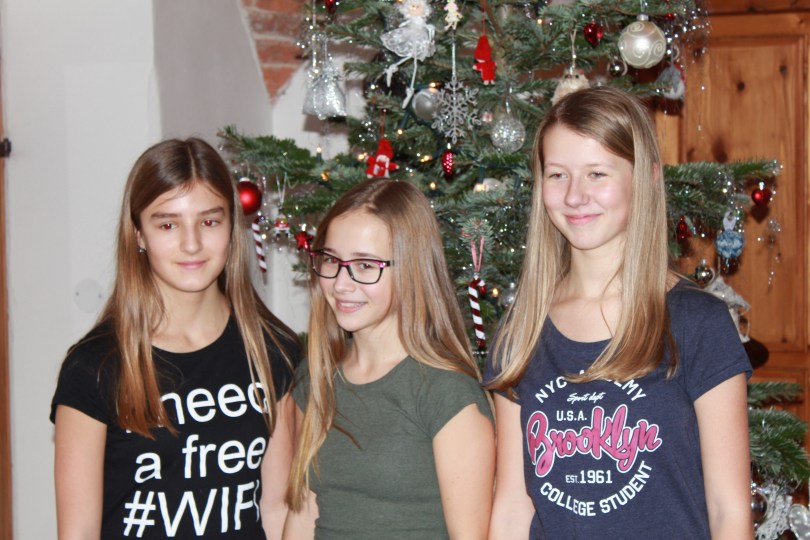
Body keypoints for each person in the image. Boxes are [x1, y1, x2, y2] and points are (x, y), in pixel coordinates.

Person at [485, 87, 753, 539]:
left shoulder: (696, 322)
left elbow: (729, 511)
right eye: (558, 175)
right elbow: (513, 506)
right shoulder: (521, 331)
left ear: (645, 178)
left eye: (596, 173)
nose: (575, 196)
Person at [51, 138, 300, 539]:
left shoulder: (273, 350)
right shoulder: (95, 366)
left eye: (209, 221)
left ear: (231, 226)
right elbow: (78, 531)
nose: (191, 244)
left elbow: (276, 508)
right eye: (168, 224)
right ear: (139, 234)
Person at [283, 179, 495, 539]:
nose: (341, 283)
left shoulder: (446, 393)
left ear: (413, 269)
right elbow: (303, 512)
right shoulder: (315, 378)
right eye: (331, 260)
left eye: (366, 265)